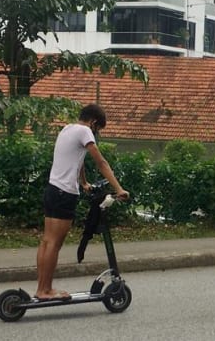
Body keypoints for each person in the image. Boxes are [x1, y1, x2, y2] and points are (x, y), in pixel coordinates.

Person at [35, 103, 129, 301]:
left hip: (53, 190)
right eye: (98, 129)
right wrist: (119, 189)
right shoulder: (86, 132)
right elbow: (101, 162)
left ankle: (42, 288)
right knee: (54, 243)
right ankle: (45, 291)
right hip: (65, 194)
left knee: (47, 241)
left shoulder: (67, 129)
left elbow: (78, 159)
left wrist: (84, 182)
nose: (97, 133)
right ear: (94, 122)